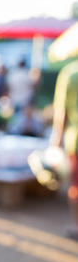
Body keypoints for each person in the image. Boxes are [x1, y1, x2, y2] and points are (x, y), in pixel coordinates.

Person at [50, 60, 78, 240]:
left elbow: (61, 113)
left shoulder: (70, 72)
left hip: (75, 140)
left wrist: (56, 143)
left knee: (75, 186)